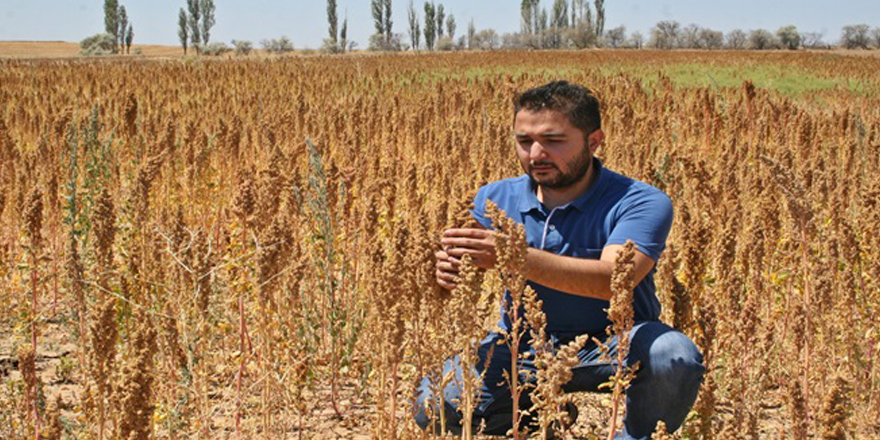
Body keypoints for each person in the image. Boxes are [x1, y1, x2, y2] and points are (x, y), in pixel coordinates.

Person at [415, 81, 705, 439]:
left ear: (594, 141)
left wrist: (513, 255)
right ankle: (540, 415)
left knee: (673, 356)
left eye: (553, 141)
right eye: (524, 141)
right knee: (436, 405)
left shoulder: (640, 201)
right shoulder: (495, 198)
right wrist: (444, 271)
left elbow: (612, 281)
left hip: (615, 342)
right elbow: (457, 268)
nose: (536, 153)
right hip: (524, 346)